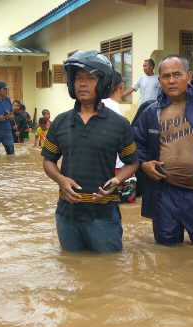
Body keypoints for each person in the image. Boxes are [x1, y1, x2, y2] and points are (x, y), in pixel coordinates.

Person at [41, 51, 138, 253]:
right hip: (67, 216)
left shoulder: (119, 124)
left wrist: (116, 181)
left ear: (103, 82)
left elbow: (132, 162)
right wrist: (60, 180)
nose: (82, 84)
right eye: (78, 78)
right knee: (72, 269)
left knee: (108, 272)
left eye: (90, 78)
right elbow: (48, 162)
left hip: (104, 217)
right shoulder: (60, 121)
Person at [134, 55, 193, 245]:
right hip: (165, 194)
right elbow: (136, 143)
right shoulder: (150, 111)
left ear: (189, 76)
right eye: (166, 76)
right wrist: (144, 163)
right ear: (159, 80)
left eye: (177, 74)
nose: (171, 81)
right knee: (166, 252)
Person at [103, 71, 137, 203]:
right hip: (121, 171)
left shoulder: (93, 107)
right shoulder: (119, 116)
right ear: (121, 86)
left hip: (101, 169)